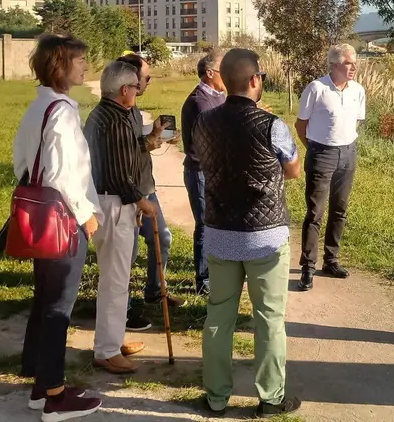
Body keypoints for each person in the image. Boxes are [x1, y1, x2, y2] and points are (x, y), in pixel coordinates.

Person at [194, 49, 302, 416]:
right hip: (265, 236)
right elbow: (293, 171)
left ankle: (216, 397)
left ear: (223, 79)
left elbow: (201, 161)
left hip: (221, 233)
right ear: (255, 80)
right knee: (269, 318)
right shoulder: (272, 125)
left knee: (218, 318)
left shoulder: (203, 123)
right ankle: (271, 398)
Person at [13, 33, 103, 420]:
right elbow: (65, 173)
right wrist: (85, 214)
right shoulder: (63, 110)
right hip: (63, 220)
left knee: (46, 300)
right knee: (58, 309)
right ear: (60, 64)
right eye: (79, 61)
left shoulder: (38, 106)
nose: (85, 67)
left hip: (37, 217)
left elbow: (21, 161)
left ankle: (41, 384)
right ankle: (54, 395)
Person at [84, 60, 158, 375]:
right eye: (136, 88)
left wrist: (149, 139)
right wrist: (141, 201)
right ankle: (106, 350)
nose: (138, 93)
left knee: (118, 279)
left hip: (116, 203)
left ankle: (111, 340)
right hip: (113, 204)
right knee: (115, 281)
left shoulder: (115, 114)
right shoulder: (111, 120)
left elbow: (125, 151)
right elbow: (115, 175)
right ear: (125, 90)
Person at [116, 53, 182, 334]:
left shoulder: (132, 109)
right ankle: (124, 307)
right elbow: (120, 153)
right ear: (130, 79)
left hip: (146, 188)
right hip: (126, 193)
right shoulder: (114, 112)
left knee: (162, 239)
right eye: (147, 77)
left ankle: (155, 290)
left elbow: (135, 143)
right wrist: (150, 140)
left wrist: (153, 136)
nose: (149, 81)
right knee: (126, 254)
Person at [294, 43, 366, 292]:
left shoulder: (358, 90)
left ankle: (331, 260)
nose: (353, 66)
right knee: (315, 212)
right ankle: (308, 266)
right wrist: (313, 148)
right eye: (348, 62)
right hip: (321, 153)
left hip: (348, 153)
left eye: (354, 62)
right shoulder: (316, 88)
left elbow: (356, 121)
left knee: (340, 210)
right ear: (334, 65)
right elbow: (300, 124)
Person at [180, 50, 227, 295]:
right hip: (201, 172)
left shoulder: (218, 96)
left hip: (215, 172)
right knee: (205, 225)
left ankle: (216, 271)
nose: (226, 76)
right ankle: (204, 280)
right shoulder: (199, 101)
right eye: (223, 71)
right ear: (210, 73)